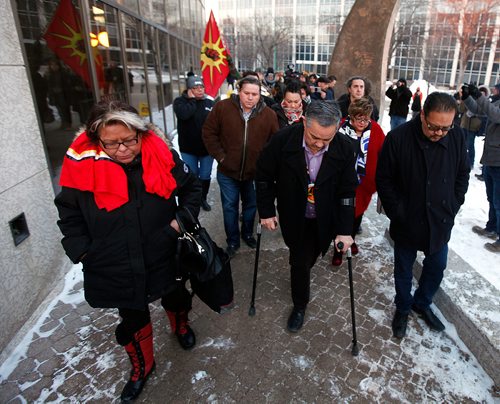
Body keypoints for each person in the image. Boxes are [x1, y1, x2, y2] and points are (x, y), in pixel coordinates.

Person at [54, 101, 202, 401]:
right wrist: (83, 252)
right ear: (97, 140)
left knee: (176, 295)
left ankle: (180, 325)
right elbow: (68, 213)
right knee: (132, 316)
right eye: (111, 143)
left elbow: (192, 189)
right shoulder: (81, 167)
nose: (122, 149)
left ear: (140, 133)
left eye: (128, 140)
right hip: (115, 261)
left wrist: (177, 225)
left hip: (163, 248)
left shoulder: (160, 155)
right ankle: (142, 367)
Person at [255, 100, 358, 332]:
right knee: (300, 261)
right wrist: (267, 210)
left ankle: (303, 264)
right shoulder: (282, 140)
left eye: (327, 139)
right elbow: (263, 176)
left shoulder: (345, 147)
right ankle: (300, 305)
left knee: (308, 257)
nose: (319, 144)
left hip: (325, 216)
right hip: (295, 213)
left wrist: (344, 230)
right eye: (314, 137)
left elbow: (347, 192)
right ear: (303, 122)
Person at [376, 92, 469, 339]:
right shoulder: (398, 138)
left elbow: (462, 174)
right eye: (434, 127)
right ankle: (403, 308)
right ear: (422, 115)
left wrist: (454, 204)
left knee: (437, 266)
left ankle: (422, 302)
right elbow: (384, 180)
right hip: (408, 219)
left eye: (445, 128)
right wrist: (398, 212)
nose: (439, 133)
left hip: (440, 219)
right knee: (404, 270)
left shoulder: (457, 137)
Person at [202, 75, 279, 257]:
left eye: (255, 94)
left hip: (254, 173)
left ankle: (247, 234)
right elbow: (208, 133)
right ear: (239, 92)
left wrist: (264, 166)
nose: (250, 97)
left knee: (251, 205)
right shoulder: (222, 108)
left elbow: (274, 143)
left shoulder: (269, 115)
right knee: (230, 206)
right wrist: (221, 157)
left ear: (260, 94)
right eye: (247, 93)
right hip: (227, 171)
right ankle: (233, 241)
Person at [331, 97, 386, 266]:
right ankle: (338, 249)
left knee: (357, 216)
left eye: (366, 119)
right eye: (357, 118)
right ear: (350, 116)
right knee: (342, 216)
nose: (362, 122)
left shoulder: (376, 130)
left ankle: (352, 239)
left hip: (364, 185)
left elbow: (384, 155)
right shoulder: (339, 127)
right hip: (341, 183)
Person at [462, 83, 500, 253]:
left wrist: (479, 95)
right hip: (491, 159)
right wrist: (468, 97)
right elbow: (479, 110)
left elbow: (495, 115)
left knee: (499, 202)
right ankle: (492, 227)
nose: (494, 90)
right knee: (492, 198)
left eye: (496, 88)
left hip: (498, 161)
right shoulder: (496, 101)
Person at [174, 75, 215, 211]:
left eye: (201, 87)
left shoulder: (209, 103)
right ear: (189, 89)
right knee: (192, 176)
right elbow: (184, 114)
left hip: (206, 149)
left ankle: (203, 198)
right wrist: (191, 100)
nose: (199, 90)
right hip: (188, 149)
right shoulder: (180, 102)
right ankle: (193, 200)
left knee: (205, 176)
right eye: (195, 87)